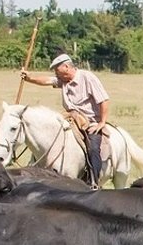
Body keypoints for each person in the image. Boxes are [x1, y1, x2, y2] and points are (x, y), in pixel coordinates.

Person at [20, 53, 110, 188]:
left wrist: (101, 122)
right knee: (48, 138)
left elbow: (103, 100)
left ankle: (93, 181)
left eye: (57, 70)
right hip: (69, 118)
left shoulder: (87, 77)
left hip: (90, 122)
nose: (56, 74)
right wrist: (29, 78)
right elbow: (47, 81)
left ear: (66, 67)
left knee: (93, 148)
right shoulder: (63, 79)